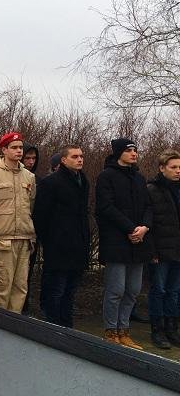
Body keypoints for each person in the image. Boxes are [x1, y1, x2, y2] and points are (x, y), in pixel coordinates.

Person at [96, 138, 153, 350]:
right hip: (117, 242)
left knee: (133, 290)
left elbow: (149, 206)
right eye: (130, 150)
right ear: (119, 152)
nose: (134, 153)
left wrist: (144, 227)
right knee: (116, 289)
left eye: (136, 150)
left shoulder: (139, 178)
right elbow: (106, 208)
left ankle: (124, 330)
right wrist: (130, 228)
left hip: (138, 242)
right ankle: (111, 331)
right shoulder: (106, 176)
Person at [33, 145, 90, 328]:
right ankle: (53, 326)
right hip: (58, 247)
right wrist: (50, 241)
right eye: (74, 156)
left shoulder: (83, 181)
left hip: (77, 245)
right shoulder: (51, 183)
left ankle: (67, 326)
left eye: (81, 156)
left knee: (70, 291)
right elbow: (41, 215)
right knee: (56, 290)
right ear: (63, 160)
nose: (79, 159)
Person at [0, 132, 36, 313]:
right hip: (1, 240)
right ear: (4, 150)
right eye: (14, 148)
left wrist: (30, 234)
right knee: (2, 288)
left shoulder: (29, 176)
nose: (19, 151)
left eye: (21, 147)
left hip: (23, 238)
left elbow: (31, 205)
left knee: (20, 288)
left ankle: (13, 332)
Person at [146, 149, 180, 349]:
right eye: (173, 167)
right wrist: (152, 251)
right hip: (160, 251)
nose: (178, 171)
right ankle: (157, 330)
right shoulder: (152, 189)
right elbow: (149, 222)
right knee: (158, 290)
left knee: (174, 291)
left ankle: (171, 328)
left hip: (178, 250)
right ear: (162, 168)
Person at [21, 144, 41, 315]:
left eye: (33, 158)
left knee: (25, 277)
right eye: (27, 158)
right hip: (10, 232)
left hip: (30, 232)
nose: (30, 162)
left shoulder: (36, 179)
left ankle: (23, 310)